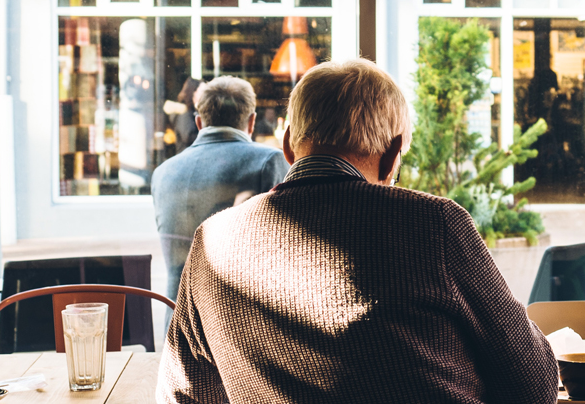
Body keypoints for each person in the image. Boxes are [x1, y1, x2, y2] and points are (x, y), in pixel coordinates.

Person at [157, 59, 559, 404]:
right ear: (391, 155)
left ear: (288, 146)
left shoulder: (211, 242)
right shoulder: (435, 225)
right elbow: (533, 387)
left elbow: (186, 393)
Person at [151, 76, 290, 304]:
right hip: (238, 326)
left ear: (199, 123)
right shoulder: (268, 162)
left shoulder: (163, 172)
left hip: (177, 327)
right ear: (252, 122)